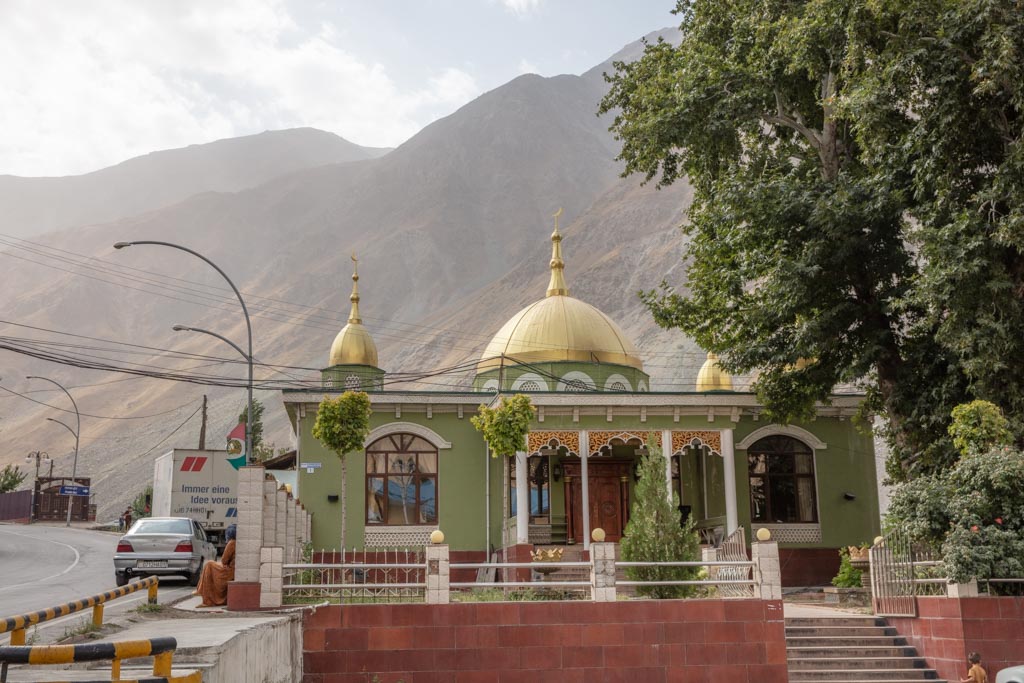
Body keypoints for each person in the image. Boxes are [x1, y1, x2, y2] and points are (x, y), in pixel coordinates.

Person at [194, 524, 236, 607]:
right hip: (233, 570)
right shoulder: (237, 542)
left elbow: (224, 561)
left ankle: (203, 593)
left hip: (229, 571)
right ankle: (200, 590)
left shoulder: (232, 543)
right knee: (210, 564)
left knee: (209, 564)